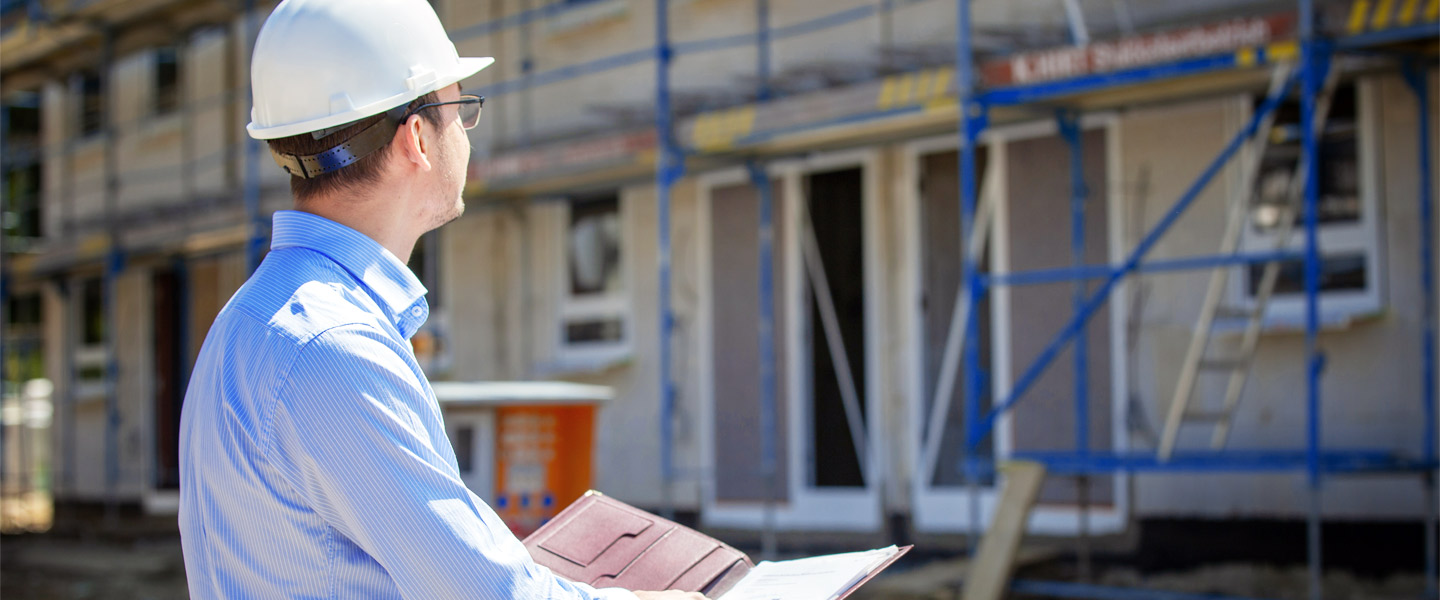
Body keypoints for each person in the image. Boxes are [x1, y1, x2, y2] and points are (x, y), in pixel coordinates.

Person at [177, 1, 705, 598]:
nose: (467, 133)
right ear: (417, 138)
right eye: (460, 108)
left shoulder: (249, 322)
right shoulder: (333, 350)